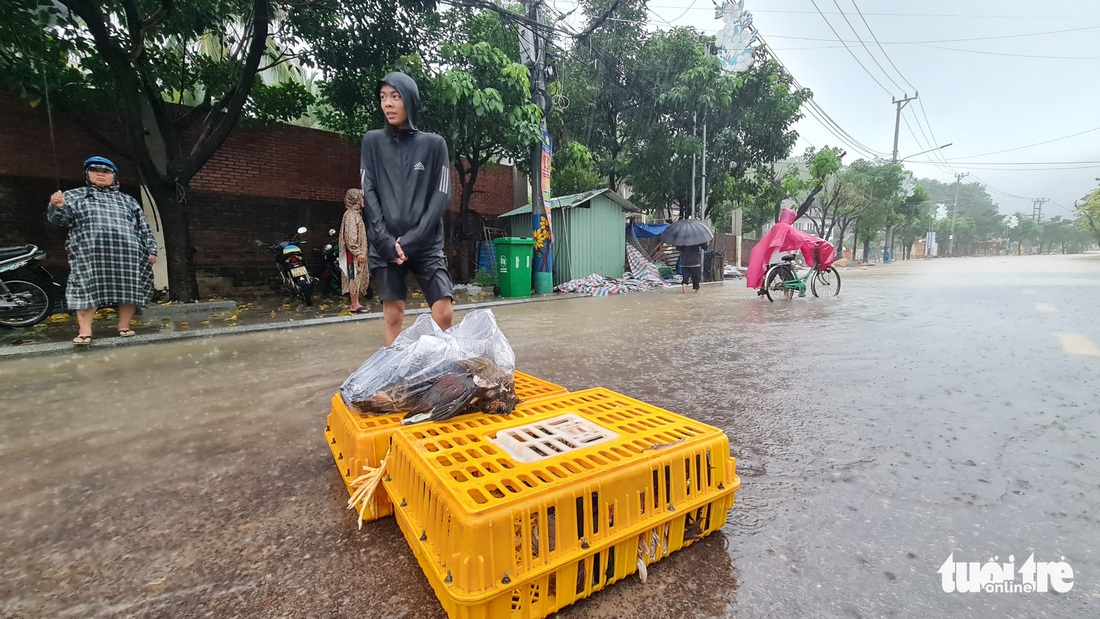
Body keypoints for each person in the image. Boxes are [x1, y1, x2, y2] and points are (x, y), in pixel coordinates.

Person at [361, 71, 454, 345]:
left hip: (425, 243)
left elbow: (442, 194)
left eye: (395, 96)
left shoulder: (434, 144)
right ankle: (395, 373)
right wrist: (385, 241)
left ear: (410, 101)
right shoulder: (372, 142)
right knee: (393, 314)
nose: (387, 104)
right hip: (385, 242)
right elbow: (369, 190)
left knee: (444, 310)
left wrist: (413, 239)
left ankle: (438, 369)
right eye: (383, 97)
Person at [47, 156, 158, 345]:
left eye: (106, 171)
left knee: (129, 289)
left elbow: (143, 226)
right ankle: (84, 331)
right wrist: (57, 206)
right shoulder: (74, 196)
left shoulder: (128, 200)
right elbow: (61, 221)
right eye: (95, 170)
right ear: (87, 175)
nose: (100, 174)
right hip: (90, 255)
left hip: (129, 255)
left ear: (114, 177)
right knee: (85, 290)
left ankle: (124, 326)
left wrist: (151, 249)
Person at [339, 188, 371, 313]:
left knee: (355, 276)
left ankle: (356, 302)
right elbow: (351, 237)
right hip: (353, 254)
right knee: (353, 276)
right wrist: (358, 252)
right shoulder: (351, 215)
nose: (363, 200)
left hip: (354, 253)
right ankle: (354, 304)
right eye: (361, 198)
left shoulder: (353, 215)